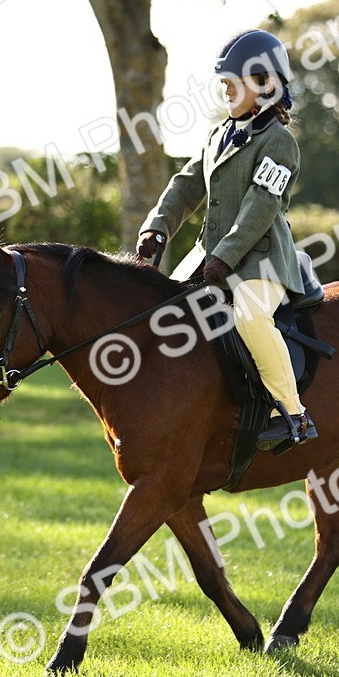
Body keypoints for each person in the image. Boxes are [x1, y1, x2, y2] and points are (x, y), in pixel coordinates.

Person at [136, 29, 317, 450]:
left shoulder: (280, 143)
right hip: (210, 255)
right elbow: (185, 185)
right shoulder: (218, 135)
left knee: (251, 318)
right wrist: (156, 226)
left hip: (262, 260)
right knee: (159, 308)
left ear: (266, 85)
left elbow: (259, 208)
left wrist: (223, 258)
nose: (226, 92)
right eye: (224, 84)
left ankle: (294, 415)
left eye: (233, 84)